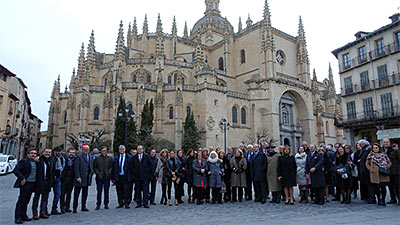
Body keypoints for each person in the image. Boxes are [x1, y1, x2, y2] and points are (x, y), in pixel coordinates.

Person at [13, 149, 38, 224]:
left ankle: (24, 215)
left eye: (34, 153)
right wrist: (22, 177)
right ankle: (18, 217)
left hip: (32, 183)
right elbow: (15, 170)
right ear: (28, 154)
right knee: (21, 200)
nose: (33, 155)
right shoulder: (24, 161)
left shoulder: (35, 162)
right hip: (26, 183)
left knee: (27, 200)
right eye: (32, 153)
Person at [32, 148, 54, 219]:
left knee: (45, 198)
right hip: (39, 182)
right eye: (46, 152)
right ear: (43, 152)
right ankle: (35, 213)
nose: (48, 153)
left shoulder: (51, 160)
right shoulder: (39, 160)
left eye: (49, 152)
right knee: (37, 198)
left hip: (47, 182)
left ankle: (43, 212)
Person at [73, 144, 94, 213]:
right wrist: (77, 177)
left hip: (87, 178)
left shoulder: (90, 156)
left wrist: (92, 173)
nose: (86, 150)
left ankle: (83, 206)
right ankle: (75, 208)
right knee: (77, 194)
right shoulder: (78, 157)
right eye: (85, 149)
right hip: (80, 178)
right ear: (82, 150)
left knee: (85, 194)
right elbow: (76, 168)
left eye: (87, 149)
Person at [355, 139, 375, 203]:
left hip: (367, 169)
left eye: (360, 144)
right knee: (366, 184)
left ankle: (372, 197)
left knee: (370, 184)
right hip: (363, 170)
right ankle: (368, 197)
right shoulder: (364, 150)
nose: (360, 145)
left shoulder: (368, 149)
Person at [383, 138, 400, 205]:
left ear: (389, 143)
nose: (385, 143)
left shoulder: (395, 151)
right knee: (390, 186)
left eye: (387, 142)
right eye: (384, 142)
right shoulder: (382, 151)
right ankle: (393, 199)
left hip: (396, 171)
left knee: (398, 186)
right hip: (387, 172)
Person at [60, 148, 76, 214]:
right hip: (64, 178)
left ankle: (67, 207)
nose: (71, 154)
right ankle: (62, 207)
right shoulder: (64, 159)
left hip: (71, 179)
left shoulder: (75, 160)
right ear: (68, 153)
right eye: (70, 152)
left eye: (73, 153)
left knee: (69, 194)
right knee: (62, 194)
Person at [50, 147, 65, 215]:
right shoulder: (51, 157)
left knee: (58, 194)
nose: (58, 152)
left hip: (58, 177)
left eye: (60, 151)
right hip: (51, 177)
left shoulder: (63, 158)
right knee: (45, 195)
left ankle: (54, 208)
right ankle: (43, 210)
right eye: (57, 151)